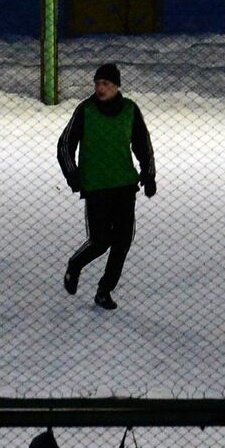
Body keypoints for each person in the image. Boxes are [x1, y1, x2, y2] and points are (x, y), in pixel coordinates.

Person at [56, 63, 156, 311]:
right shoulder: (85, 110)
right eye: (98, 83)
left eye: (107, 84)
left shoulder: (130, 110)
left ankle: (104, 290)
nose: (101, 88)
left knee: (122, 241)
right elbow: (65, 145)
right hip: (96, 187)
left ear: (116, 87)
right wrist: (73, 175)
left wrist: (149, 175)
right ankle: (75, 264)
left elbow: (143, 145)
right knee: (100, 241)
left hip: (124, 186)